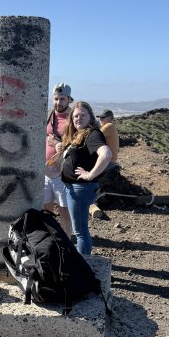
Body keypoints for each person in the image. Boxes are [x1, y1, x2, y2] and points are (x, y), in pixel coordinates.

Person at [61, 101, 112, 254]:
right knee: (80, 230)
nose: (78, 118)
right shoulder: (79, 134)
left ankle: (84, 265)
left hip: (81, 189)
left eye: (83, 115)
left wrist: (90, 174)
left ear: (90, 117)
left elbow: (106, 154)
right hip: (74, 188)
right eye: (75, 116)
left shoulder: (92, 134)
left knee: (80, 232)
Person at [44, 83, 73, 237]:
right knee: (46, 207)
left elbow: (76, 143)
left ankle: (67, 241)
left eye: (62, 99)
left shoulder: (73, 118)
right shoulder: (50, 115)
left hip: (63, 172)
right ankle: (48, 240)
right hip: (47, 169)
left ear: (69, 99)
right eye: (56, 99)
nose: (58, 102)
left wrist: (56, 144)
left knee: (64, 209)